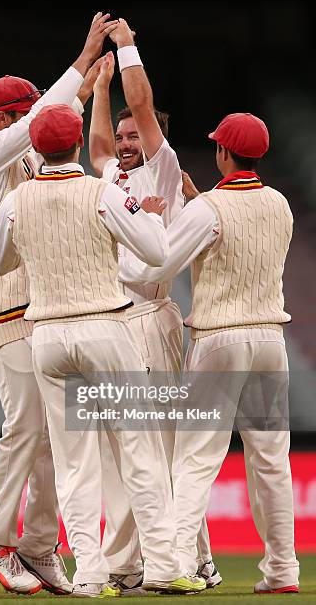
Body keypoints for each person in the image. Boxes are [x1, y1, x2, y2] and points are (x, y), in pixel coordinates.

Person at [0, 103, 207, 598]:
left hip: (47, 337)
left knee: (74, 462)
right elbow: (154, 251)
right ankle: (166, 567)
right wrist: (148, 216)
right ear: (78, 144)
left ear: (36, 148)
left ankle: (88, 573)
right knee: (139, 449)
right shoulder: (102, 191)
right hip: (105, 329)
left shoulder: (16, 202)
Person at [0, 12, 118, 595]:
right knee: (25, 425)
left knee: (54, 434)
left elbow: (56, 122)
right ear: (2, 119)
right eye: (21, 113)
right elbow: (44, 119)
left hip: (37, 313)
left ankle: (39, 548)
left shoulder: (21, 155)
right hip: (2, 314)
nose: (30, 122)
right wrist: (81, 58)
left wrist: (92, 82)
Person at [119, 112, 300, 594]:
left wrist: (148, 223)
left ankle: (176, 562)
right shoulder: (280, 204)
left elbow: (153, 266)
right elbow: (242, 241)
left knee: (195, 459)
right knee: (271, 462)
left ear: (223, 153)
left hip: (219, 338)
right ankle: (283, 570)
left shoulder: (209, 209)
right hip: (269, 341)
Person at [89, 20, 219, 593]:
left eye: (134, 136)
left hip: (153, 319)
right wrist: (97, 89)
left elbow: (142, 103)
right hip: (116, 321)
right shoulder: (115, 175)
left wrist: (128, 48)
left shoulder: (162, 167)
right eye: (123, 138)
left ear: (154, 139)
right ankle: (127, 565)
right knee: (123, 449)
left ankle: (192, 560)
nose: (124, 145)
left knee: (164, 445)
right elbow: (95, 149)